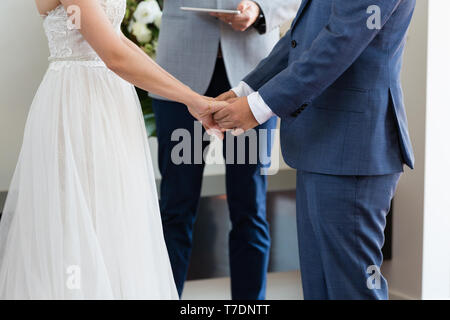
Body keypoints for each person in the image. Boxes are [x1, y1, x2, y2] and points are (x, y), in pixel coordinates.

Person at [0, 0, 227, 299]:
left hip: (111, 103)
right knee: (81, 222)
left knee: (117, 219)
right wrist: (194, 101)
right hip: (79, 104)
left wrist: (191, 98)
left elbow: (120, 40)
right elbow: (114, 55)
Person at [212, 0, 416, 300]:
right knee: (319, 291)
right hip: (321, 143)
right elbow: (303, 37)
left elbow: (340, 40)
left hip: (353, 149)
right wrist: (246, 90)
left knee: (352, 291)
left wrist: (258, 107)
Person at [151, 0, 299, 300]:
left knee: (250, 208)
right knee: (175, 207)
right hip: (180, 74)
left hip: (254, 73)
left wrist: (261, 11)